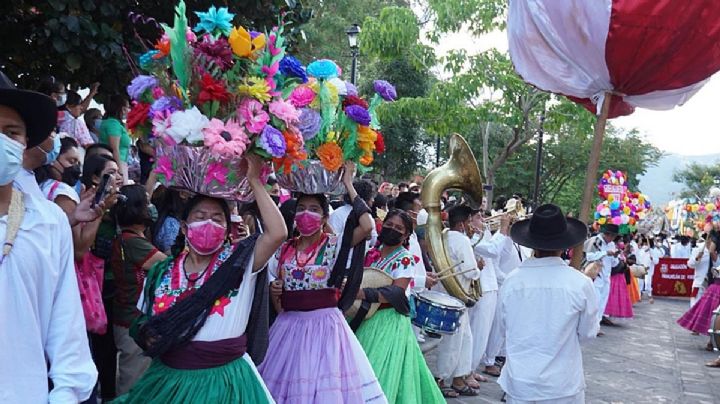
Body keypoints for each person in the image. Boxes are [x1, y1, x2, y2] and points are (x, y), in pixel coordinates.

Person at [116, 154, 286, 403]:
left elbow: (278, 233)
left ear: (227, 230)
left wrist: (254, 181)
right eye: (200, 216)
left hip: (226, 384)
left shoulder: (240, 263)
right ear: (184, 227)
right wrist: (147, 334)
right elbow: (141, 321)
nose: (208, 222)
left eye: (217, 219)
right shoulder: (161, 272)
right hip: (170, 383)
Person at [0, 70, 98, 402]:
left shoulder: (46, 221)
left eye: (10, 132)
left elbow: (65, 322)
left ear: (24, 143)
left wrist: (66, 395)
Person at [259, 162, 386, 403]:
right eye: (302, 208)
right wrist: (275, 290)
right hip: (287, 331)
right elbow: (279, 299)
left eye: (314, 209)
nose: (307, 214)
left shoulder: (333, 245)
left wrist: (348, 183)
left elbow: (367, 226)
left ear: (325, 216)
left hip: (325, 330)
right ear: (295, 216)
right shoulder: (285, 250)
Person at [499, 204, 598, 403]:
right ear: (564, 245)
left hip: (520, 382)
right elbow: (588, 333)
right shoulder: (580, 284)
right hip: (562, 385)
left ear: (532, 244)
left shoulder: (511, 281)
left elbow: (504, 329)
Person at [354, 210, 445, 403]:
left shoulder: (404, 258)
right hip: (366, 317)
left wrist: (365, 293)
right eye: (389, 225)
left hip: (388, 321)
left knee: (379, 371)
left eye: (398, 228)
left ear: (405, 236)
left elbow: (397, 291)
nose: (392, 230)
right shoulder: (372, 253)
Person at [110, 184, 167, 395]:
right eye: (146, 202)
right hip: (131, 322)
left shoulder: (131, 239)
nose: (151, 207)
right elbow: (168, 265)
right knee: (132, 381)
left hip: (130, 319)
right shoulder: (132, 242)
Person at [431, 205, 481, 397]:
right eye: (469, 222)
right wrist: (479, 266)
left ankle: (459, 379)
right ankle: (441, 379)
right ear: (462, 223)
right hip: (457, 296)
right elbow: (470, 270)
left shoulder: (443, 237)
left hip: (447, 294)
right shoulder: (461, 240)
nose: (471, 226)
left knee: (465, 339)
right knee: (453, 342)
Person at [468, 211, 510, 383]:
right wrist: (503, 229)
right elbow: (492, 250)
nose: (483, 220)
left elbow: (494, 259)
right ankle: (466, 372)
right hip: (481, 289)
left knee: (482, 333)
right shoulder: (470, 238)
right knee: (477, 332)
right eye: (478, 217)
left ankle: (469, 370)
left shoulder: (481, 235)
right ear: (469, 221)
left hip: (490, 286)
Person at [584, 224, 620, 328]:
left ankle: (596, 326)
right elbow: (589, 256)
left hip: (606, 277)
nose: (612, 239)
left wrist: (615, 257)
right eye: (612, 236)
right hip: (596, 276)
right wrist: (605, 253)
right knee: (595, 302)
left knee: (602, 303)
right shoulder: (596, 241)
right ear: (607, 234)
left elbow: (614, 264)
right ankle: (589, 325)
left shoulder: (612, 244)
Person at [99, 95, 131, 184]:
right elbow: (114, 148)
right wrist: (119, 171)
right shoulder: (113, 124)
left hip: (119, 163)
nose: (128, 110)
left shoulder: (115, 123)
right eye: (127, 107)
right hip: (117, 164)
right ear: (122, 109)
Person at [688, 233, 716, 308]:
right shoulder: (698, 249)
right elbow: (690, 264)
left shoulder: (716, 251)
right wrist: (697, 258)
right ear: (708, 239)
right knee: (694, 307)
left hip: (712, 285)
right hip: (699, 284)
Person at [604, 250, 634, 320]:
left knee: (616, 296)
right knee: (610, 295)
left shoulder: (620, 253)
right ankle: (605, 314)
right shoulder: (612, 250)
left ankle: (606, 315)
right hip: (614, 275)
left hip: (620, 275)